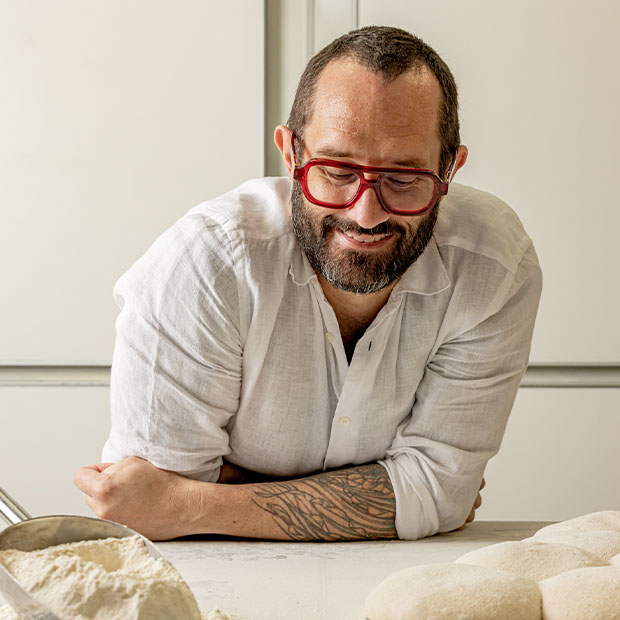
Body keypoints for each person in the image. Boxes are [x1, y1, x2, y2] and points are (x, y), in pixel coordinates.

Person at [74, 26, 541, 542]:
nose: (365, 214)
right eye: (337, 170)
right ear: (291, 153)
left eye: (404, 179)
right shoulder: (207, 262)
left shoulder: (495, 265)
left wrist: (196, 501)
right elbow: (150, 499)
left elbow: (440, 492)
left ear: (449, 169)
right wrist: (398, 496)